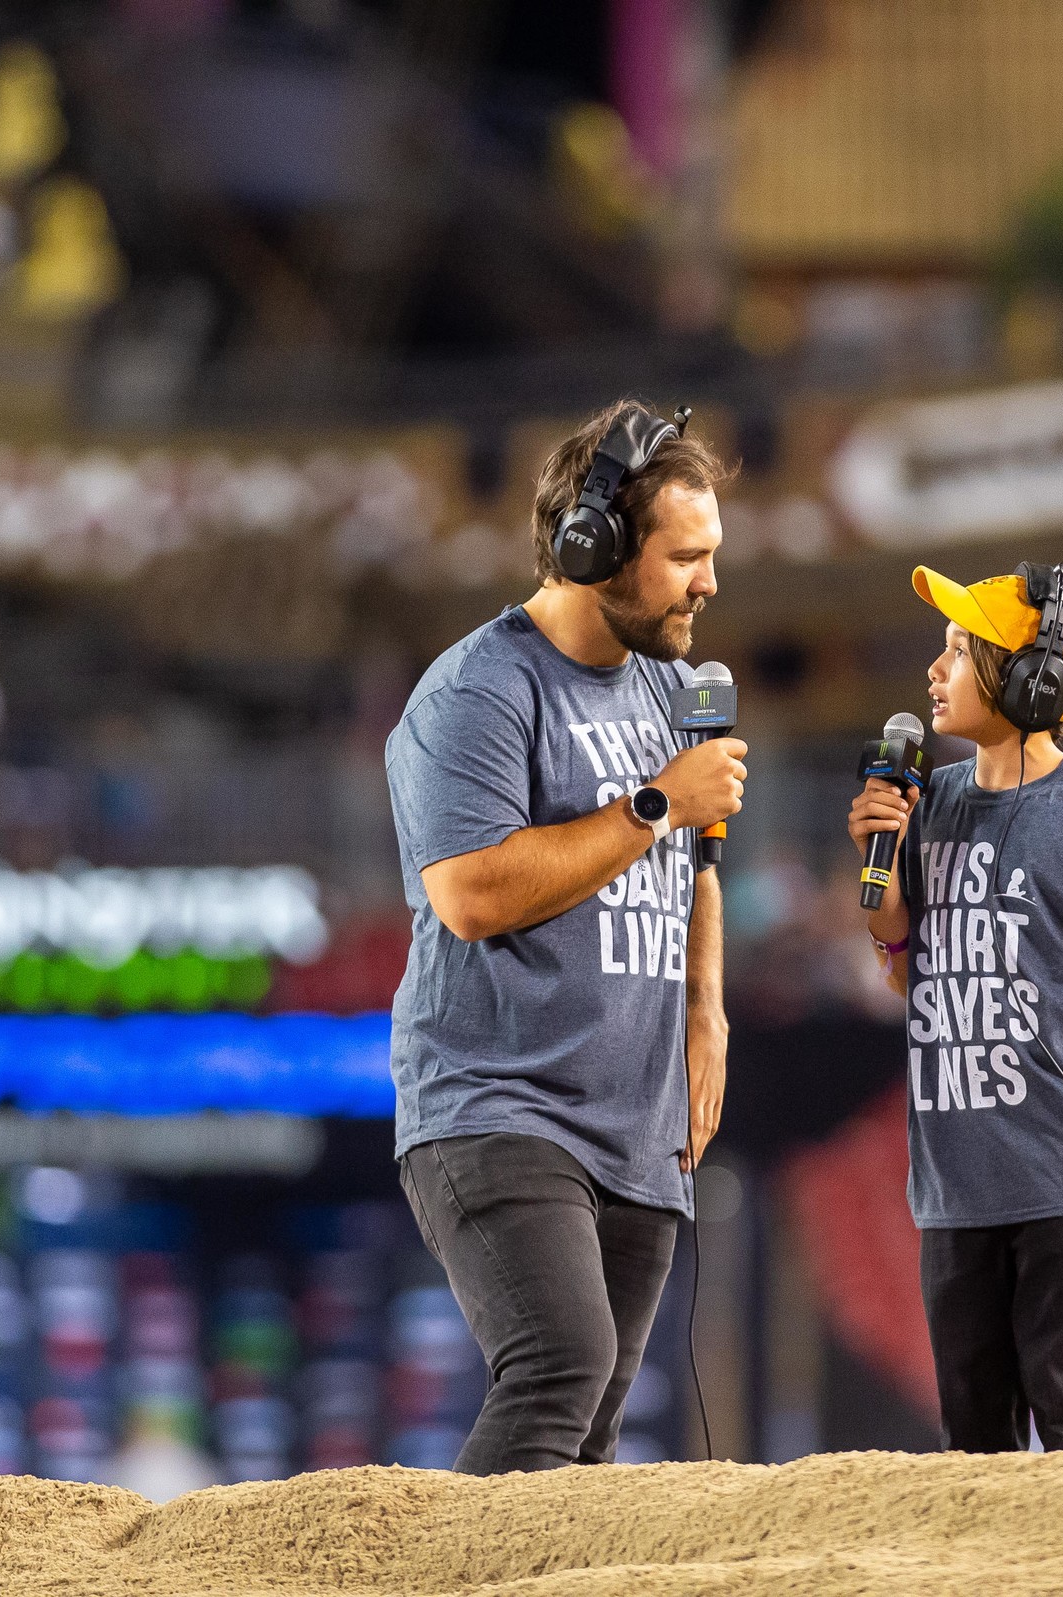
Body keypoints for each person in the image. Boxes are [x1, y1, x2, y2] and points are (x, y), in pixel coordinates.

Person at [384, 400, 744, 1474]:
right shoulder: (477, 691)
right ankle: (448, 1568)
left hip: (638, 1124)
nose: (709, 583)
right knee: (560, 1366)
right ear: (597, 549)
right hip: (499, 1104)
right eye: (686, 557)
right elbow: (471, 893)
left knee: (588, 1441)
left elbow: (703, 864)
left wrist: (707, 1013)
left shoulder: (673, 690)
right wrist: (654, 804)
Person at [846, 563, 1063, 1454]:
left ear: (1030, 679)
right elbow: (913, 974)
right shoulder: (933, 803)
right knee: (975, 1443)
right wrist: (881, 868)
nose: (935, 670)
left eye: (958, 651)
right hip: (952, 1184)